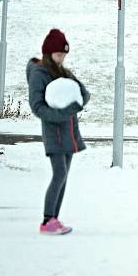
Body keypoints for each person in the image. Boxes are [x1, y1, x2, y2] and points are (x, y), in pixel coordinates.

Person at [26, 29, 90, 235]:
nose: (61, 58)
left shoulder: (63, 72)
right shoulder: (39, 74)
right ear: (48, 53)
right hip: (54, 133)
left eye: (64, 55)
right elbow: (38, 107)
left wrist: (76, 105)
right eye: (58, 55)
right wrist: (63, 113)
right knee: (59, 173)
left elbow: (84, 93)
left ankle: (55, 218)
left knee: (64, 176)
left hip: (69, 132)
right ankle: (47, 221)